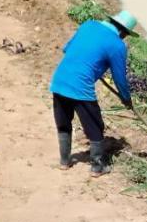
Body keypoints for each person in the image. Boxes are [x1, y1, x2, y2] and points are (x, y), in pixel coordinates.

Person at [50, 10, 138, 174]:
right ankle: (98, 166)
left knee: (63, 122)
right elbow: (119, 78)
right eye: (125, 34)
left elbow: (67, 48)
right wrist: (126, 98)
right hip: (80, 87)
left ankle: (64, 160)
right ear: (123, 31)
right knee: (95, 126)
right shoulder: (118, 45)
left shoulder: (88, 25)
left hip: (59, 80)